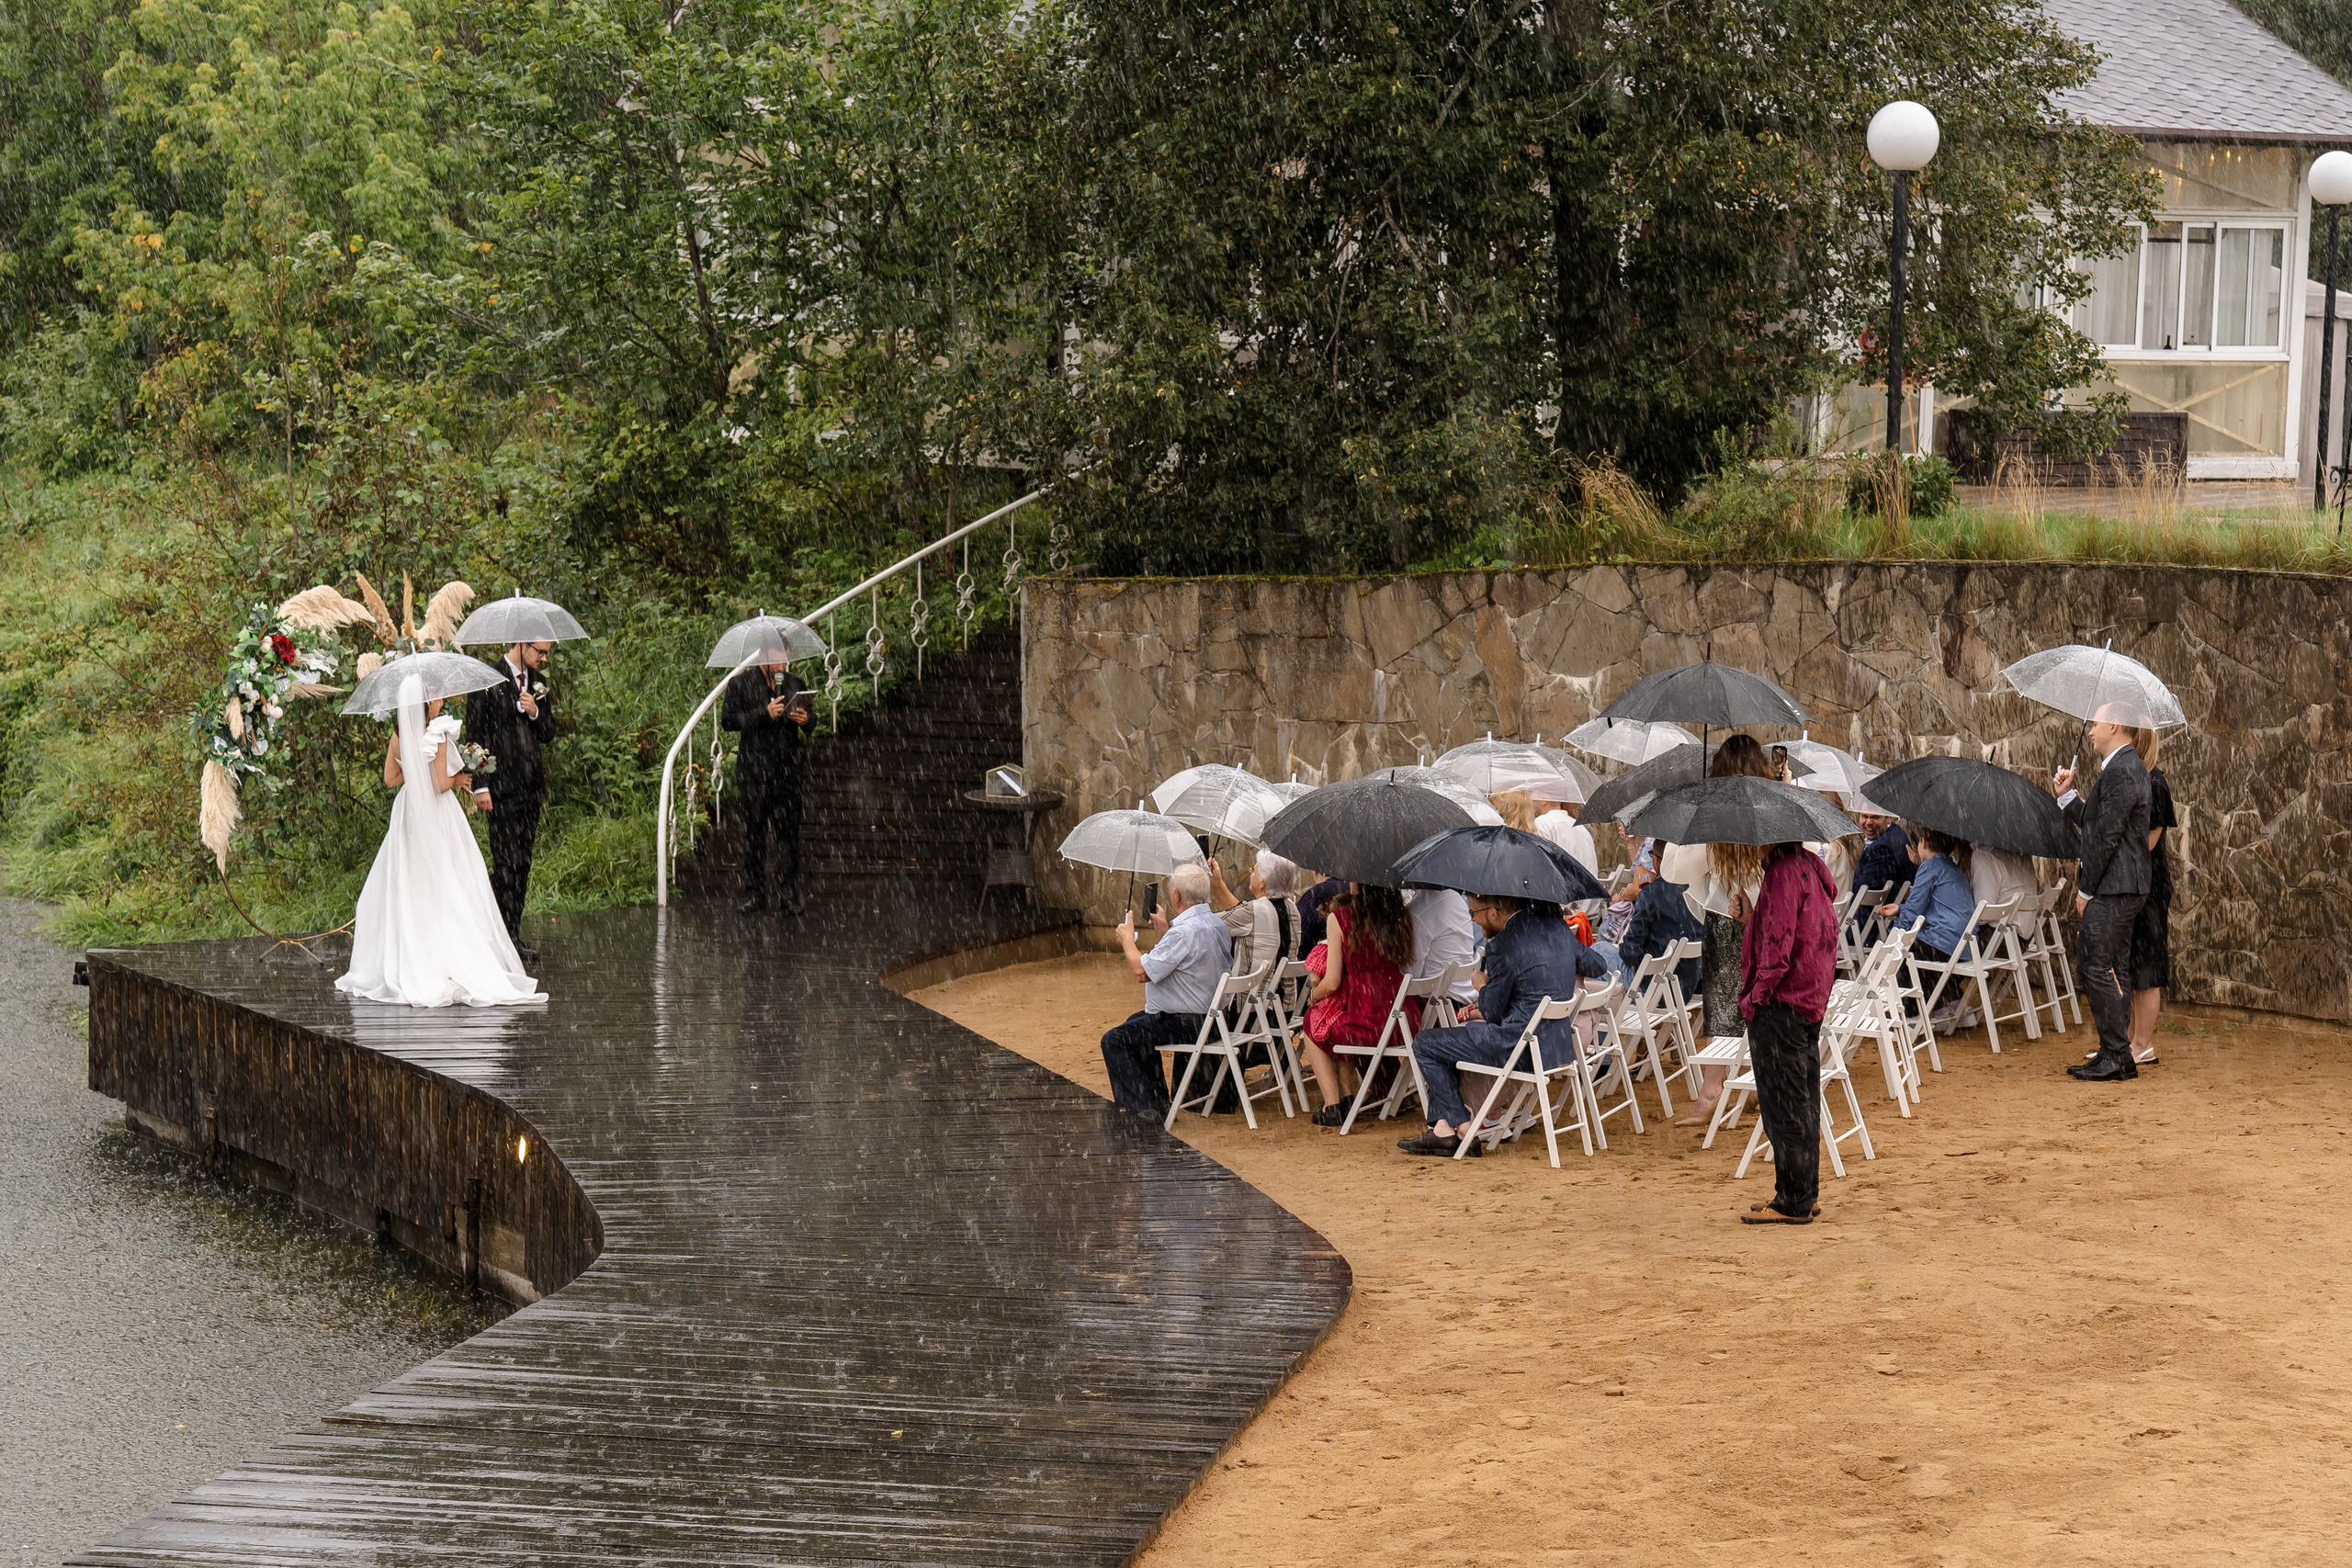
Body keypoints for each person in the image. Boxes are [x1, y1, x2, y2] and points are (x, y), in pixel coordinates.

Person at [339, 676, 542, 1009]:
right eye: (435, 696)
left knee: (412, 879)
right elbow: (439, 785)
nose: (441, 700)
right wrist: (459, 777)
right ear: (425, 704)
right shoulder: (439, 731)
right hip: (435, 811)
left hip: (408, 811)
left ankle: (410, 951)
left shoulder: (398, 735)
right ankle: (450, 954)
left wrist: (414, 769)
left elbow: (391, 779)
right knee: (449, 877)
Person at [1398, 893, 1607, 1156]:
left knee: (1426, 1043)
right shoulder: (1554, 927)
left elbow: (1492, 1012)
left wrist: (1481, 985)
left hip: (1517, 1050)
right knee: (1445, 1045)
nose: (1474, 920)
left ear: (1493, 913)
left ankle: (1460, 1126)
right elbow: (1597, 964)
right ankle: (1446, 1128)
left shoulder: (1502, 945)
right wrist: (1564, 957)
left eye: (1474, 913)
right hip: (1557, 1047)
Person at [1674, 734, 1776, 1126]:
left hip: (1727, 922)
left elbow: (1677, 871)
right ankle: (1751, 1086)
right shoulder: (1769, 805)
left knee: (1722, 1007)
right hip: (1764, 919)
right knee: (1755, 1004)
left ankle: (1712, 1091)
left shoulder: (1714, 812)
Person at [1737, 841, 1841, 1224]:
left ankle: (1794, 1198)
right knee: (1801, 1101)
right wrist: (1752, 917)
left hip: (1783, 1004)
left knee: (1785, 1106)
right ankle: (1801, 1191)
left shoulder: (1783, 873)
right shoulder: (1806, 869)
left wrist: (1755, 997)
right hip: (1805, 1000)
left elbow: (1778, 948)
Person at [2054, 705, 2153, 1082]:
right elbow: (2098, 824)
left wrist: (2086, 890)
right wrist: (2067, 797)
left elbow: (2105, 839)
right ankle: (2117, 1054)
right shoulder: (2122, 768)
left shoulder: (2124, 769)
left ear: (2114, 725)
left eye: (2095, 724)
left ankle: (2115, 1054)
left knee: (2094, 965)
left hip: (2115, 886)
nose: (2090, 732)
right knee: (2114, 967)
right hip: (2122, 885)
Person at [1100, 863, 1233, 1116]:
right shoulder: (1216, 924)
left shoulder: (1183, 933)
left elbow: (1142, 972)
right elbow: (1191, 958)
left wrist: (1128, 940)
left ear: (1177, 896)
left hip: (1186, 1023)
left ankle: (1145, 1108)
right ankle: (1156, 1101)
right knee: (1134, 1025)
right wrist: (1165, 931)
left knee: (1115, 1040)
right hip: (1212, 1020)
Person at [461, 637, 556, 958]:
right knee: (506, 863)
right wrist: (481, 785)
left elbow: (548, 732)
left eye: (547, 652)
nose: (543, 658)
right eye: (540, 651)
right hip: (499, 789)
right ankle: (490, 931)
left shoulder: (538, 683)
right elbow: (475, 736)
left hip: (531, 787)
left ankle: (511, 935)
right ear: (521, 643)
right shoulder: (488, 679)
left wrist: (535, 712)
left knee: (523, 864)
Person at [1299, 884, 1417, 1125]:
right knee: (1342, 1023)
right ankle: (1385, 1093)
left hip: (1367, 1016)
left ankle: (1333, 1104)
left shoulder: (1340, 917)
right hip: (1402, 1017)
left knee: (1313, 1022)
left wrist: (1313, 998)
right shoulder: (1396, 913)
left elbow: (1331, 982)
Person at [720, 653, 816, 915]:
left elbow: (812, 721)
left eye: (784, 661)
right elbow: (728, 721)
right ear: (762, 657)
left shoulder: (795, 682)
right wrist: (764, 713)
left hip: (788, 773)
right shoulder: (741, 684)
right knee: (755, 837)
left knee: (788, 838)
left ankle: (788, 896)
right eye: (776, 662)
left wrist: (806, 720)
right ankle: (755, 894)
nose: (781, 667)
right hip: (754, 774)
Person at [1878, 827, 1976, 1021]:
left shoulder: (1930, 867)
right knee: (1917, 946)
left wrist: (1892, 939)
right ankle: (1948, 1003)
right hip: (1965, 947)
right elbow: (1935, 903)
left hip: (1943, 945)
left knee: (1904, 953)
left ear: (1924, 842)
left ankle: (1910, 1012)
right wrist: (1900, 907)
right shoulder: (1952, 867)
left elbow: (1914, 911)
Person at [2125, 726, 2175, 1067]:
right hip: (2134, 886)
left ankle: (2143, 1043)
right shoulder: (2136, 781)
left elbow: (2148, 842)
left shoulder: (2155, 783)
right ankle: (2130, 1040)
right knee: (2133, 968)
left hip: (2151, 890)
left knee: (2148, 968)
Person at [1615, 854, 1702, 999]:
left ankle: (1608, 1019)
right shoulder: (1695, 891)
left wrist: (1623, 947)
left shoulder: (1651, 894)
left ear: (1658, 861)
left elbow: (1630, 954)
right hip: (1689, 986)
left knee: (1598, 952)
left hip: (1653, 989)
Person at [1206, 850, 1304, 977]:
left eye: (1253, 870)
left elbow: (1204, 926)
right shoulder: (1292, 908)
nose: (1251, 874)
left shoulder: (1253, 911)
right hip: (1286, 996)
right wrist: (1217, 884)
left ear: (1263, 882)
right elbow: (1239, 915)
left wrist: (1197, 886)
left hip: (1251, 995)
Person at [1401, 886, 1480, 1010]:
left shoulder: (1418, 911)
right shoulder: (1456, 898)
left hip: (1439, 1005)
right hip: (1468, 994)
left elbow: (1409, 976)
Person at [1849, 808, 1911, 908]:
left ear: (1889, 818)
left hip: (1869, 917)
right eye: (1864, 816)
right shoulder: (1895, 832)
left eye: (1875, 817)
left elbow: (1860, 889)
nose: (1868, 822)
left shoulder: (1882, 848)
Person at [1532, 800, 1600, 877]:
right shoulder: (1581, 827)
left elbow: (1538, 866)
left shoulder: (1542, 823)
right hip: (1588, 886)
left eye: (1532, 792)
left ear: (1544, 799)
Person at [1297, 872, 1346, 950]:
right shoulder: (1351, 887)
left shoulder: (1317, 892)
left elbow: (1298, 930)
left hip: (1315, 956)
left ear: (1315, 872)